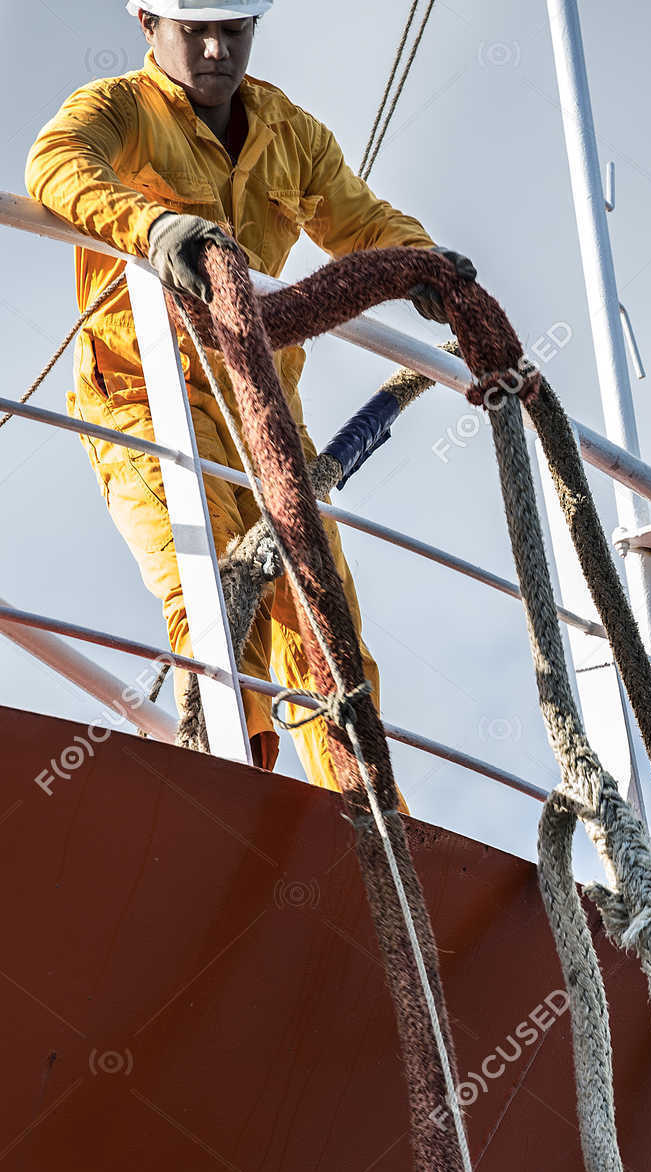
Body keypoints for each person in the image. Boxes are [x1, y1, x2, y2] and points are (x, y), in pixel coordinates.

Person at [25, 0, 475, 791]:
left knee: (327, 635)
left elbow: (360, 220)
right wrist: (157, 229)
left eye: (232, 30)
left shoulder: (287, 134)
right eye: (192, 29)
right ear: (145, 24)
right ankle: (234, 800)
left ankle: (367, 826)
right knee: (209, 600)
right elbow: (57, 163)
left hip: (264, 415)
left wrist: (423, 265)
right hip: (144, 403)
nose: (212, 49)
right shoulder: (118, 111)